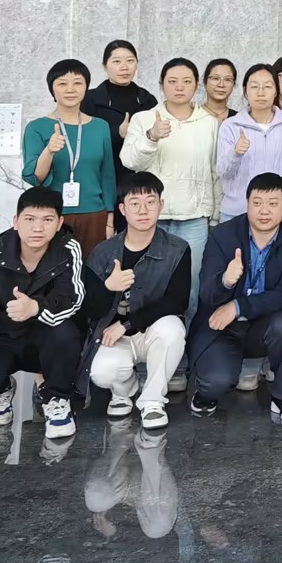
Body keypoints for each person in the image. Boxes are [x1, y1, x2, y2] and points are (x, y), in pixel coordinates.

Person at [0, 186, 86, 440]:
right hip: (3, 340)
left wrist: (35, 307)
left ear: (59, 223)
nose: (38, 228)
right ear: (16, 221)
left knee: (66, 333)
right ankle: (1, 389)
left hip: (45, 339)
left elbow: (73, 300)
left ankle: (56, 398)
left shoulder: (68, 249)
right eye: (29, 219)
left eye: (47, 220)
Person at [119, 56, 219, 381]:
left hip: (194, 218)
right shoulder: (145, 118)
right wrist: (151, 136)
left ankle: (179, 360)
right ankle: (143, 357)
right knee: (146, 288)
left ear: (196, 85)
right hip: (150, 219)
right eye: (172, 81)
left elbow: (214, 170)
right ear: (161, 84)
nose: (179, 87)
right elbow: (130, 161)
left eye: (187, 81)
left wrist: (213, 214)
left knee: (189, 292)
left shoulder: (209, 122)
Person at [188, 172, 282, 422]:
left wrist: (238, 306)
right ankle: (208, 387)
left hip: (264, 325)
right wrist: (225, 281)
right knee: (214, 384)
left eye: (273, 204)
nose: (264, 211)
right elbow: (207, 293)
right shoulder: (223, 235)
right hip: (222, 326)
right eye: (257, 203)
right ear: (247, 204)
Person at [83, 172, 190, 430]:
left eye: (150, 202)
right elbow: (87, 308)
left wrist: (128, 323)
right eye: (134, 203)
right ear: (122, 209)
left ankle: (152, 400)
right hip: (114, 336)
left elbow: (177, 302)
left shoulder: (177, 249)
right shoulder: (103, 252)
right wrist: (108, 288)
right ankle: (124, 391)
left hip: (151, 329)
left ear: (161, 205)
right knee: (100, 372)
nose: (143, 210)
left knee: (173, 330)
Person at [23, 58, 117, 258]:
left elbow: (107, 175)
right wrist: (49, 151)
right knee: (53, 272)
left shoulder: (100, 126)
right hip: (52, 216)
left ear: (86, 87)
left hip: (94, 214)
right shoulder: (37, 127)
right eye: (62, 83)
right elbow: (35, 178)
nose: (70, 89)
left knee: (93, 271)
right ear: (52, 89)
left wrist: (109, 219)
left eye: (77, 83)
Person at [216, 64, 282, 224]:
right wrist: (235, 153)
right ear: (245, 91)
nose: (261, 92)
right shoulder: (230, 126)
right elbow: (223, 173)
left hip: (276, 216)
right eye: (254, 86)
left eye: (267, 86)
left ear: (276, 91)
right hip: (236, 214)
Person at [83, 39, 159, 182]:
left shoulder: (147, 99)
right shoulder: (90, 99)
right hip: (102, 175)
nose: (124, 67)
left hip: (141, 178)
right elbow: (83, 141)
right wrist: (117, 133)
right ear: (105, 66)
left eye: (130, 61)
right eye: (117, 62)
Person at [202, 58, 237, 124]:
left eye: (228, 79)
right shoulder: (192, 116)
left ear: (233, 84)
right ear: (205, 81)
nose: (221, 85)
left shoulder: (239, 119)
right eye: (215, 78)